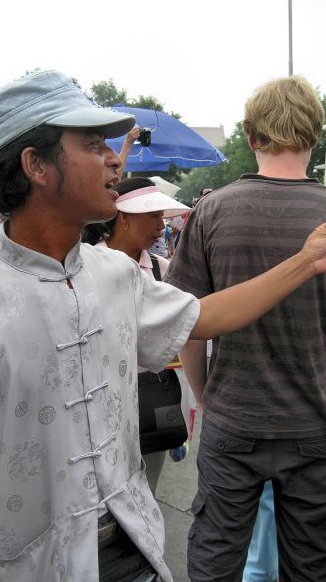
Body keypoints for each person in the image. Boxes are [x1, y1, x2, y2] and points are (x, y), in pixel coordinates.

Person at [0, 70, 326, 582]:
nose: (115, 159)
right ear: (36, 166)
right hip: (28, 567)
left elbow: (206, 316)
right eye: (93, 145)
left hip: (134, 552)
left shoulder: (114, 273)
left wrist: (306, 261)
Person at [164, 75, 326, 582]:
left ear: (251, 137)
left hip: (234, 420)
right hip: (315, 419)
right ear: (314, 133)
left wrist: (206, 398)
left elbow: (191, 325)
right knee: (312, 566)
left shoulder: (212, 209)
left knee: (216, 561)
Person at [83, 176, 190, 494]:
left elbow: (179, 338)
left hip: (152, 401)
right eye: (152, 216)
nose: (161, 225)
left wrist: (184, 414)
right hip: (99, 399)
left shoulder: (163, 269)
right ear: (124, 217)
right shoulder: (83, 266)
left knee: (148, 490)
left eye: (162, 216)